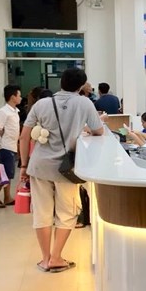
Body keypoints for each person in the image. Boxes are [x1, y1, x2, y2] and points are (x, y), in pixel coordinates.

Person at [19, 68, 104, 273]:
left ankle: (45, 258)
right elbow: (98, 130)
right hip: (67, 167)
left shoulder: (42, 103)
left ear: (61, 83)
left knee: (42, 212)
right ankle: (56, 258)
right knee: (67, 212)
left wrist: (23, 165)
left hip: (39, 165)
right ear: (82, 85)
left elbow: (24, 136)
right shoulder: (85, 103)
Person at [0, 85, 21, 208]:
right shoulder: (3, 112)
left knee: (8, 173)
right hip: (5, 146)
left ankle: (7, 197)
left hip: (12, 146)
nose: (20, 98)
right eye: (19, 95)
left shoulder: (14, 111)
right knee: (6, 173)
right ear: (13, 97)